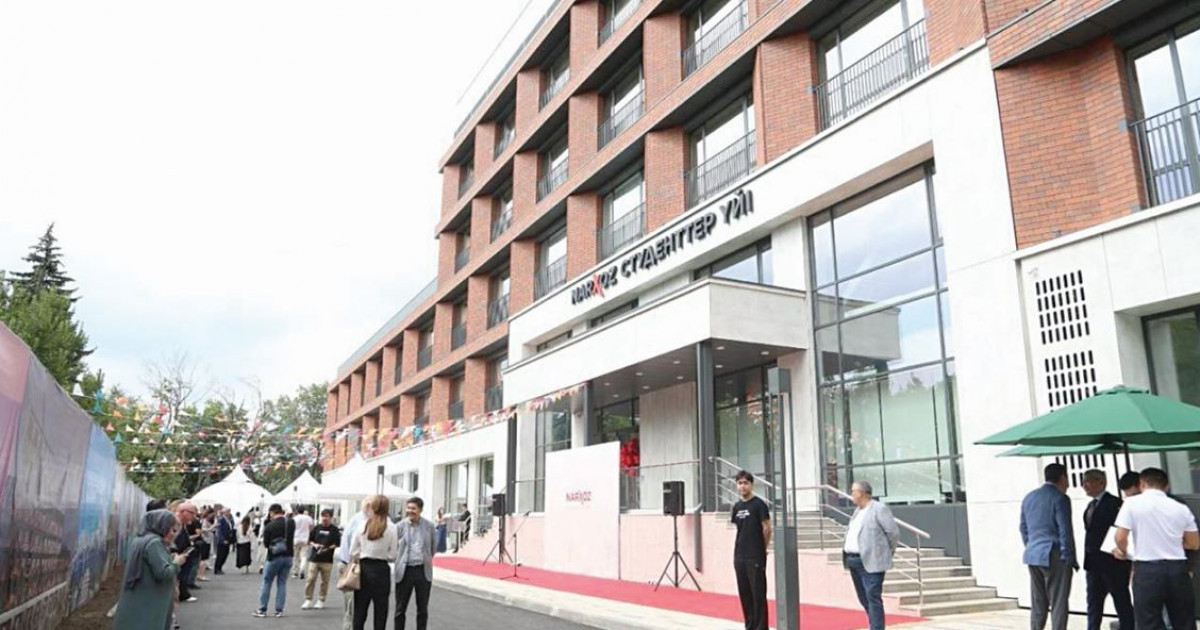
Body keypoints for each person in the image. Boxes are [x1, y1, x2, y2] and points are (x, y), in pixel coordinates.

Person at [1114, 467, 1200, 630]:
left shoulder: (1131, 504)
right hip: (1178, 569)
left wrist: (1122, 551)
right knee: (1184, 621)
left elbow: (1120, 537)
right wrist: (1173, 542)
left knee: (1148, 622)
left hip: (1147, 570)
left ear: (1141, 484)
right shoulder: (1181, 508)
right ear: (1166, 486)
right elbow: (1194, 543)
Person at [1020, 462, 1077, 630]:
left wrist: (1031, 545)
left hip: (1033, 554)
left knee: (1038, 601)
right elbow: (1065, 530)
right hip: (1054, 553)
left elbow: (1023, 527)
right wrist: (1069, 557)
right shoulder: (1060, 498)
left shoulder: (1029, 497)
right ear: (1063, 478)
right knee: (1058, 601)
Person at [113, 509, 190, 630]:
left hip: (138, 597)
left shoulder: (140, 540)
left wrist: (168, 559)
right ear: (161, 526)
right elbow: (163, 573)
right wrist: (177, 563)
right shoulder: (154, 543)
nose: (173, 534)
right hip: (151, 600)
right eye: (171, 529)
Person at [1079, 469, 1134, 630]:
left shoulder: (1115, 503)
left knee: (1121, 601)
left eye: (1088, 481)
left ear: (1101, 482)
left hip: (1113, 563)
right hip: (1093, 564)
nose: (1084, 485)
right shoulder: (1090, 506)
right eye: (1083, 481)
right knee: (1093, 603)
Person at [843, 480, 898, 630]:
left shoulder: (879, 509)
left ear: (862, 493)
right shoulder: (857, 511)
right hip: (853, 560)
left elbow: (892, 533)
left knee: (873, 596)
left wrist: (884, 553)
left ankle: (877, 627)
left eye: (853, 491)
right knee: (863, 597)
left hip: (872, 561)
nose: (851, 494)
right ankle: (874, 624)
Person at [730, 470, 771, 630]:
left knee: (758, 594)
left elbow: (767, 528)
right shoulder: (737, 507)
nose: (743, 486)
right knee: (745, 594)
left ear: (751, 485)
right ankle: (750, 626)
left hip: (755, 557)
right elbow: (739, 529)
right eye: (740, 483)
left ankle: (761, 627)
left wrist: (762, 548)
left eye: (746, 483)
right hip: (740, 556)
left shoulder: (759, 505)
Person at [350, 494, 397, 630]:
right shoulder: (391, 527)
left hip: (364, 568)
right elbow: (393, 555)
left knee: (359, 611)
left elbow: (353, 551)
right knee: (381, 611)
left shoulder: (363, 525)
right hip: (381, 569)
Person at [394, 496, 436, 630]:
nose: (410, 511)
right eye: (408, 508)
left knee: (422, 609)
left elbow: (432, 548)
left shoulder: (429, 526)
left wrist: (425, 559)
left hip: (423, 571)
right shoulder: (399, 526)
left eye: (413, 508)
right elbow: (394, 548)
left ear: (420, 510)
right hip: (405, 571)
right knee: (400, 609)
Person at [254, 504, 295, 618]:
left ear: (271, 512)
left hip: (274, 557)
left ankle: (262, 609)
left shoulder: (269, 526)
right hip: (288, 556)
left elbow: (266, 544)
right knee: (282, 582)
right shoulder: (291, 523)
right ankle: (279, 610)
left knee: (267, 581)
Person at [336, 503, 370, 630]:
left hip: (347, 564)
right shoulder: (362, 522)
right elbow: (353, 550)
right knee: (353, 606)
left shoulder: (355, 518)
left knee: (350, 606)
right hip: (353, 567)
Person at [302, 508, 341, 611]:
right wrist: (315, 545)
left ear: (331, 518)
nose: (324, 518)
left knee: (324, 581)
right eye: (323, 516)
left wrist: (327, 548)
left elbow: (337, 543)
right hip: (314, 558)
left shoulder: (334, 530)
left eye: (327, 516)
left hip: (327, 559)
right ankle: (308, 599)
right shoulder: (317, 528)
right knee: (310, 579)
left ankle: (321, 599)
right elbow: (309, 540)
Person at [172, 501, 199, 603]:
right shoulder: (175, 524)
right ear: (183, 512)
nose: (194, 516)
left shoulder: (183, 525)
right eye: (192, 513)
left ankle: (182, 594)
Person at [293, 507, 315, 578]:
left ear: (297, 511)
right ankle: (302, 570)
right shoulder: (308, 518)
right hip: (305, 539)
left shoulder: (295, 518)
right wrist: (308, 532)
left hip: (296, 539)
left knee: (295, 556)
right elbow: (312, 527)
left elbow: (292, 528)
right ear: (303, 511)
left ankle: (295, 572)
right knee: (303, 556)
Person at [215, 507, 234, 575]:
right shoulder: (221, 519)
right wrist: (222, 539)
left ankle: (220, 567)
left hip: (228, 538)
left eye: (229, 511)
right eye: (228, 511)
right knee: (220, 555)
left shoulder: (229, 519)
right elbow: (219, 530)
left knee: (225, 554)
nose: (229, 513)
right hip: (222, 540)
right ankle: (217, 568)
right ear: (224, 512)